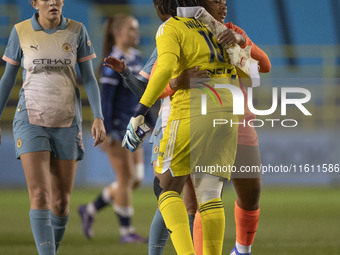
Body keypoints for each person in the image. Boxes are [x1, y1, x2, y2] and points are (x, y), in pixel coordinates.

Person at [122, 0, 242, 254]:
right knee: (208, 194)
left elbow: (163, 69)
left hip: (189, 115)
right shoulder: (216, 28)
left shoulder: (171, 27)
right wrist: (239, 43)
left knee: (163, 190)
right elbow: (252, 71)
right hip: (226, 114)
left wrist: (139, 113)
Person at [0, 0, 106, 254]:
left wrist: (99, 117)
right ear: (34, 3)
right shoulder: (20, 31)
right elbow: (7, 78)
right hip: (30, 121)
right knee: (40, 195)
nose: (53, 2)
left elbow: (89, 78)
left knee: (61, 203)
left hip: (67, 121)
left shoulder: (78, 30)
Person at [77, 14, 152, 243]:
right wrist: (106, 130)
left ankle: (90, 209)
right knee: (126, 178)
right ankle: (126, 232)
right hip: (118, 128)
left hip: (134, 126)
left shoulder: (137, 57)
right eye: (131, 29)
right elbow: (106, 98)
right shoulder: (113, 60)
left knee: (135, 179)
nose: (136, 34)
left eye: (136, 29)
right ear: (117, 32)